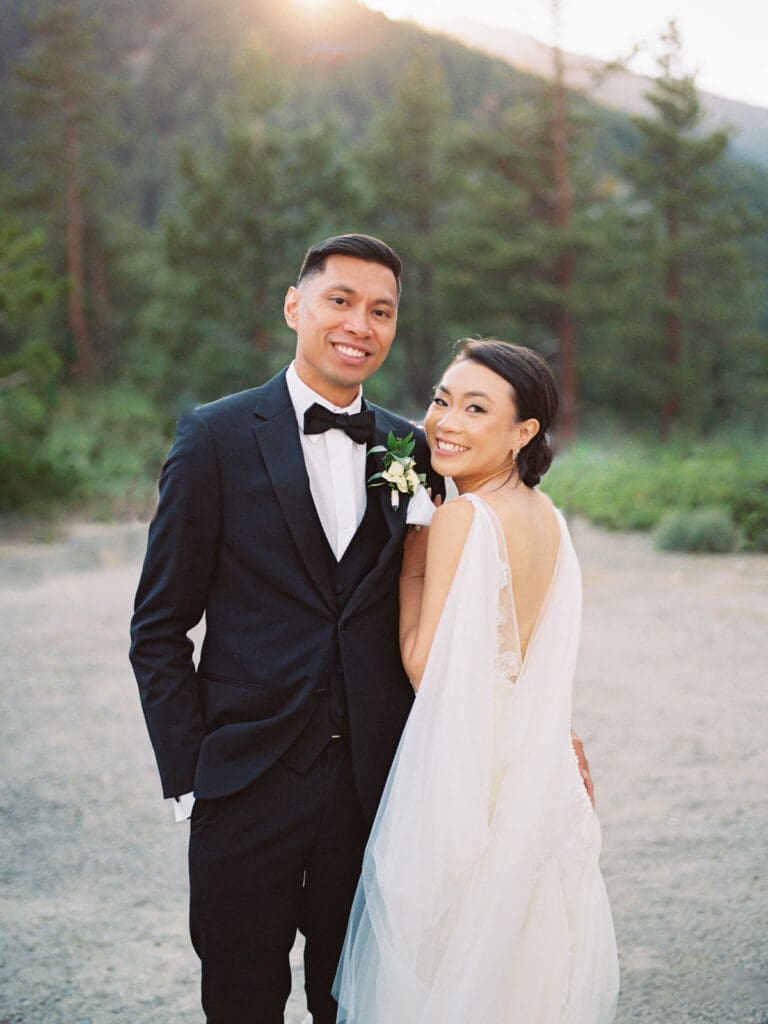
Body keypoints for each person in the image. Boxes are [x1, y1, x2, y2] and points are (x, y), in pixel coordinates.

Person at [130, 235, 594, 1023]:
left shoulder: (418, 447)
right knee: (239, 999)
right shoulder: (213, 438)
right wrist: (192, 775)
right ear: (295, 306)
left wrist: (545, 729)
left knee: (359, 1002)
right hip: (244, 787)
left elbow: (479, 614)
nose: (360, 324)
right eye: (340, 300)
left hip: (377, 791)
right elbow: (159, 626)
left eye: (382, 311)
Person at [334, 339, 619, 1023]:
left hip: (468, 764)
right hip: (528, 763)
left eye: (475, 408)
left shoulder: (463, 518)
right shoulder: (548, 519)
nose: (445, 423)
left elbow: (426, 666)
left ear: (523, 432)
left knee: (444, 966)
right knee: (515, 962)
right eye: (440, 400)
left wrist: (411, 564)